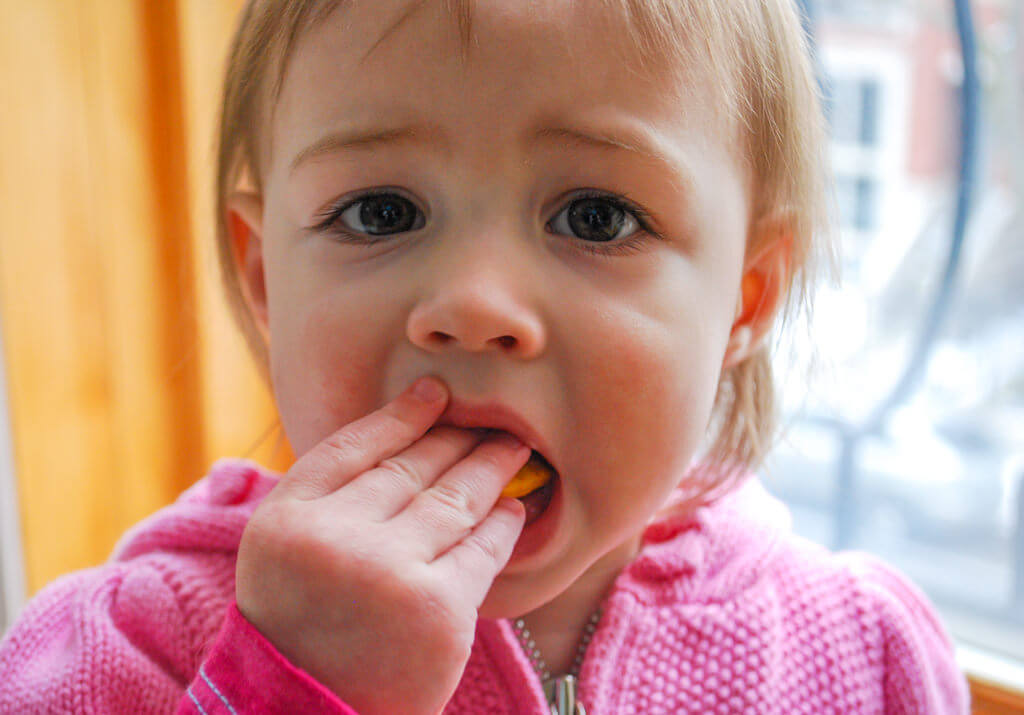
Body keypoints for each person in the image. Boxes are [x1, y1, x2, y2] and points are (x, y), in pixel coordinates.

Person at [0, 0, 970, 712]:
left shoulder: (862, 658)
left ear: (742, 300)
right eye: (380, 212)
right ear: (263, 279)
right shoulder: (118, 654)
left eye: (596, 216)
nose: (472, 305)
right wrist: (288, 688)